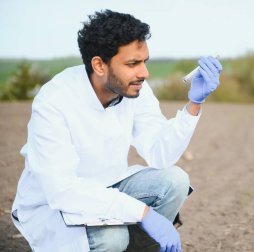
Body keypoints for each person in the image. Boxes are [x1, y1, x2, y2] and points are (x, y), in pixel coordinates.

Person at [11, 9, 222, 252]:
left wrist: (194, 104)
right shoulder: (54, 100)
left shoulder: (135, 90)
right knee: (113, 238)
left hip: (108, 187)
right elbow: (63, 190)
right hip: (54, 205)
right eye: (133, 63)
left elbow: (159, 154)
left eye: (144, 62)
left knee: (175, 181)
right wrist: (144, 213)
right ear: (99, 65)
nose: (144, 73)